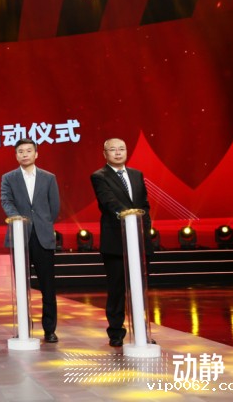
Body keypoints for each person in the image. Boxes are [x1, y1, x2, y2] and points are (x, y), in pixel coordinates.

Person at [90, 138, 154, 347]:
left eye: (122, 149)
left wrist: (144, 229)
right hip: (115, 240)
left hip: (139, 241)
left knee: (139, 289)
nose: (118, 153)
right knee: (117, 289)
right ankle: (116, 332)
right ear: (105, 153)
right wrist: (127, 216)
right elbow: (108, 202)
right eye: (113, 149)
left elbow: (144, 204)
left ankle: (142, 332)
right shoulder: (99, 176)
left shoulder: (136, 174)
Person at [0, 138, 61, 343]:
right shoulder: (8, 178)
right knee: (21, 286)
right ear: (16, 155)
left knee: (48, 287)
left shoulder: (49, 177)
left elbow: (54, 207)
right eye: (21, 151)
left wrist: (43, 223)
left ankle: (49, 329)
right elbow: (6, 201)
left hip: (43, 237)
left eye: (28, 151)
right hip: (19, 236)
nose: (25, 154)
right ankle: (24, 327)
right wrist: (18, 219)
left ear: (36, 154)